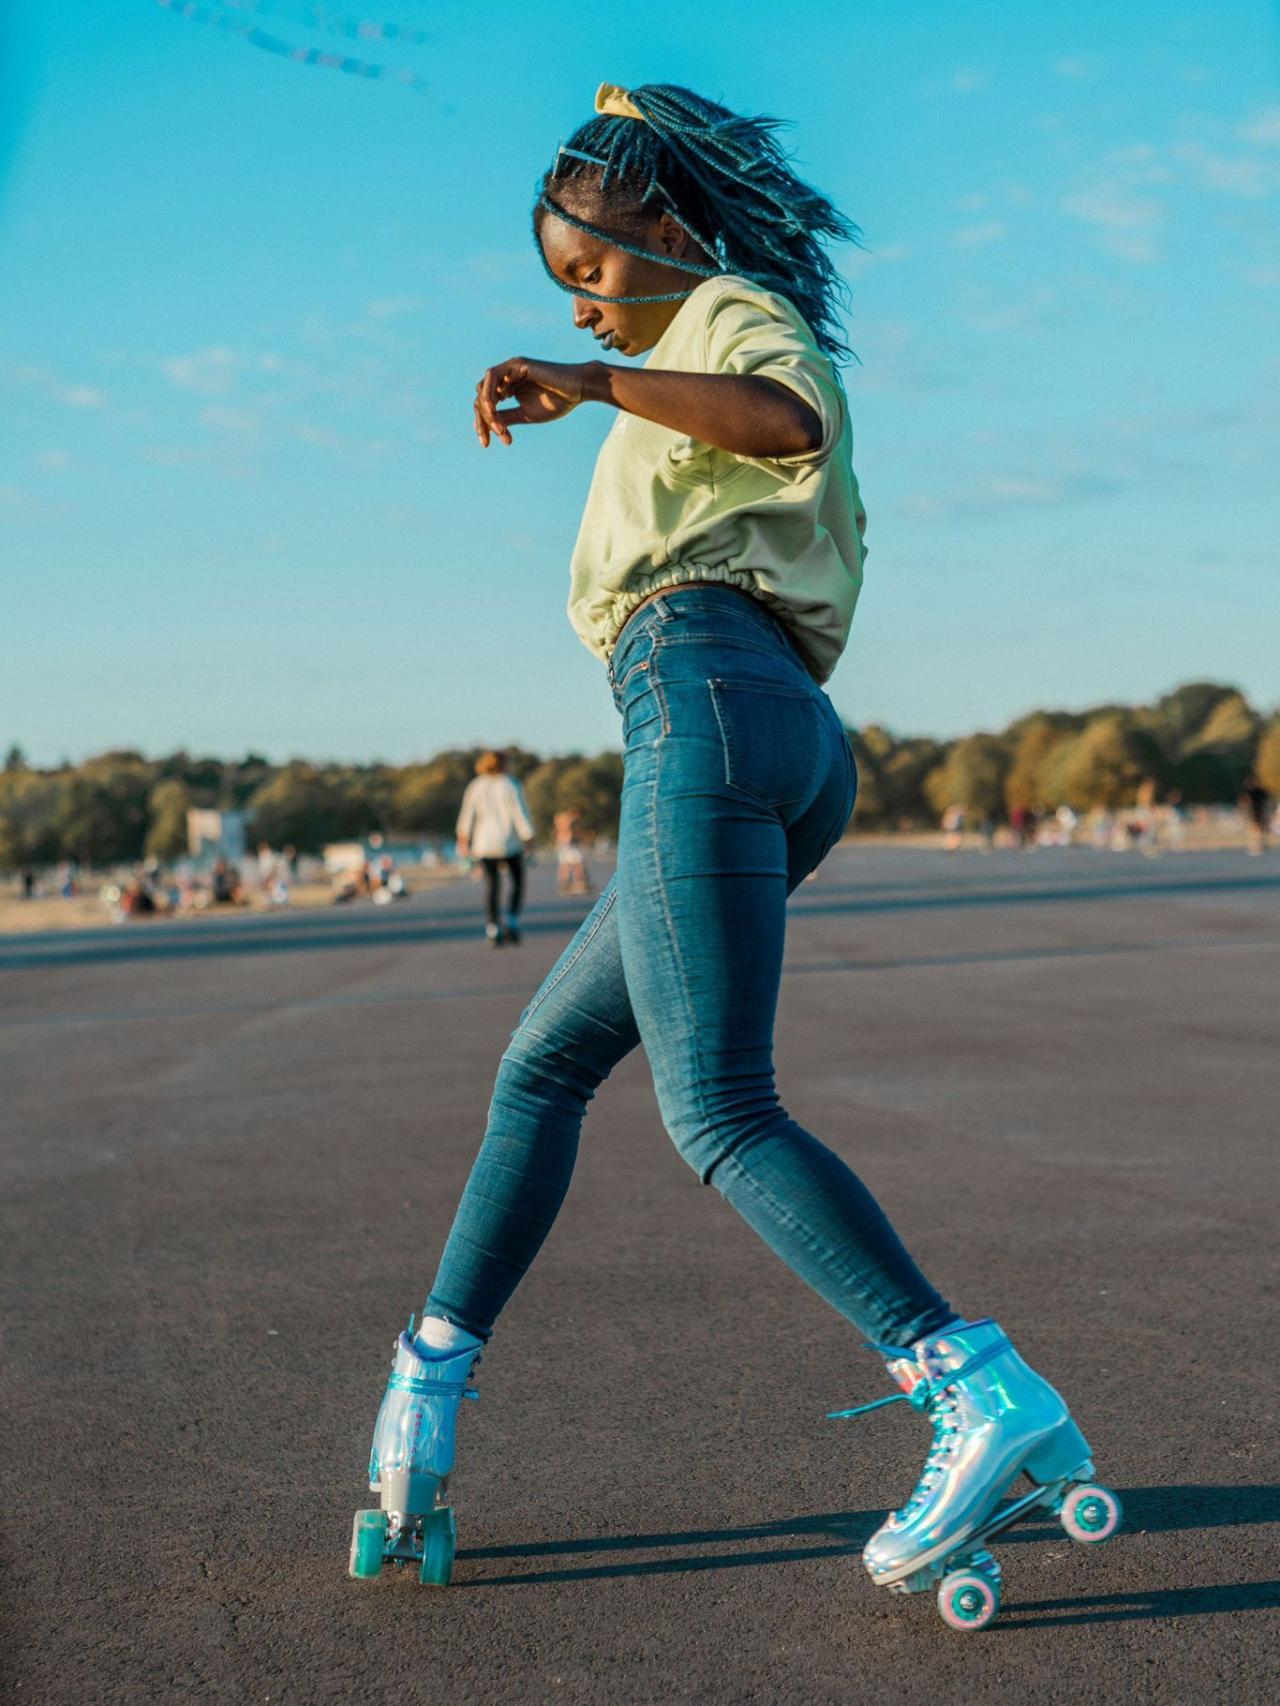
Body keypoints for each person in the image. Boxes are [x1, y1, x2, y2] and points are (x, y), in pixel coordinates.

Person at [350, 82, 1120, 1623]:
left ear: (665, 228)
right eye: (569, 293)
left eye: (592, 272)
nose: (589, 309)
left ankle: (971, 1383)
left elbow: (788, 419)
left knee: (719, 1108)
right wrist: (603, 376)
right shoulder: (683, 346)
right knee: (544, 1065)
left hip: (706, 696)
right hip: (760, 721)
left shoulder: (728, 313)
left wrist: (594, 376)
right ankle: (425, 1386)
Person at [455, 752, 535, 944]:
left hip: (484, 844)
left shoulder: (475, 786)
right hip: (510, 843)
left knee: (491, 886)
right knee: (517, 882)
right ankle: (512, 920)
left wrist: (463, 840)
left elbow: (467, 816)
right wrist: (528, 837)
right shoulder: (511, 784)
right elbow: (520, 813)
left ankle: (492, 927)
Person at [553, 808, 592, 895]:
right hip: (567, 845)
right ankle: (575, 883)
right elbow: (566, 831)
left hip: (566, 845)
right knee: (574, 864)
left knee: (569, 865)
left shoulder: (563, 819)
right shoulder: (567, 820)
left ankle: (568, 884)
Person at [1238, 774, 1271, 856]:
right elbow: (1268, 801)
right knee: (1259, 830)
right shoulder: (1261, 791)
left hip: (1254, 813)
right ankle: (1258, 845)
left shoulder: (1250, 792)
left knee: (1254, 831)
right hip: (1257, 813)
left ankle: (1256, 846)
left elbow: (1243, 802)